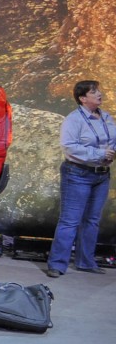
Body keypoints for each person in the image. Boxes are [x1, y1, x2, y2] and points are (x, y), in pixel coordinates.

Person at [47, 80, 116, 277]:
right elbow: (69, 147)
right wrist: (100, 153)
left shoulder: (106, 117)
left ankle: (85, 262)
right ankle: (57, 265)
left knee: (92, 220)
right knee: (70, 221)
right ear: (83, 98)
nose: (99, 94)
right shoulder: (74, 119)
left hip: (101, 175)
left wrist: (111, 153)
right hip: (78, 174)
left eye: (98, 90)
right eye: (94, 92)